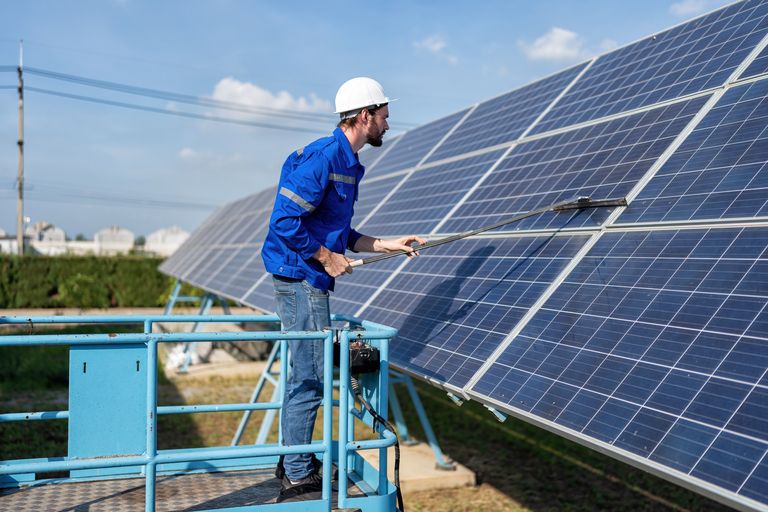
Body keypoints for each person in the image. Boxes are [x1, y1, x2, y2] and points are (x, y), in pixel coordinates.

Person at [261, 76, 426, 502]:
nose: (388, 125)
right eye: (385, 117)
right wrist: (324, 257)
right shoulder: (323, 158)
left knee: (305, 372)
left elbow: (341, 232)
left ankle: (293, 458)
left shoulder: (347, 163)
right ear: (365, 116)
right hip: (301, 279)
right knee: (311, 376)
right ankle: (297, 471)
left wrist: (389, 243)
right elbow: (283, 222)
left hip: (308, 276)